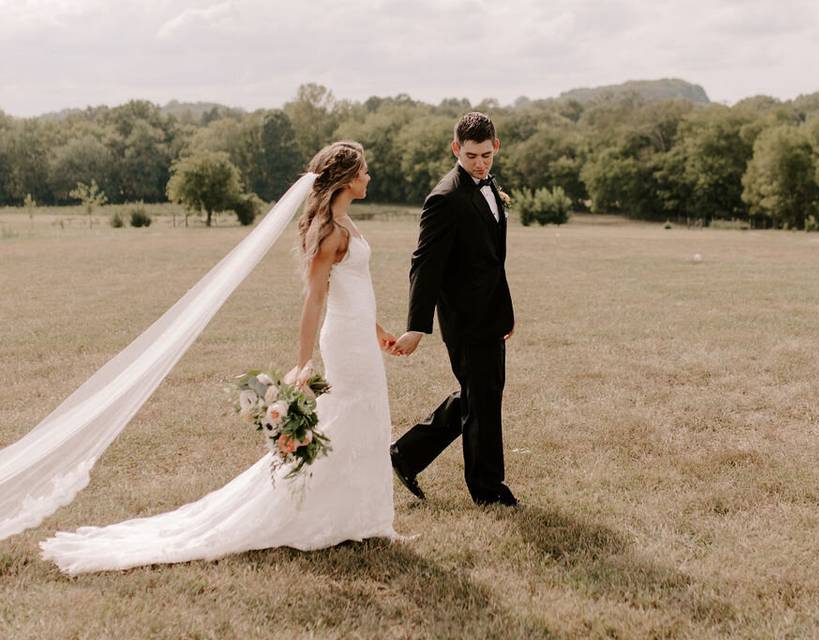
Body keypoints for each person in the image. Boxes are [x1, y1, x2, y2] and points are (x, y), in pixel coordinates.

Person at [40, 141, 399, 575]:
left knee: (365, 419)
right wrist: (303, 362)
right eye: (363, 171)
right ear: (345, 178)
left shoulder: (347, 223)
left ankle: (364, 516)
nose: (368, 177)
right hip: (344, 343)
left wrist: (378, 332)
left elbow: (357, 290)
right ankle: (328, 513)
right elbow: (315, 301)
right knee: (346, 418)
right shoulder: (330, 233)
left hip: (361, 337)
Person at [389, 112, 518, 508]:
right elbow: (424, 264)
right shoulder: (444, 198)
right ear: (454, 149)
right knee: (483, 400)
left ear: (496, 146)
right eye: (469, 156)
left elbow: (491, 261)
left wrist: (505, 312)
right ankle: (488, 490)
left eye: (485, 155)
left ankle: (406, 454)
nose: (479, 163)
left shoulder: (488, 185)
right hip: (464, 320)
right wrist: (416, 326)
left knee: (480, 394)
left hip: (490, 314)